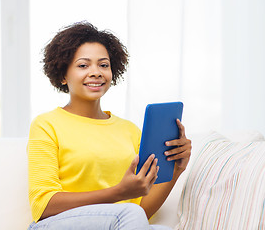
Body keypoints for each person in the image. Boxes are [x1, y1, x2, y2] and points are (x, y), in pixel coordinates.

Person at [27, 22, 192, 230]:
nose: (96, 72)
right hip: (54, 224)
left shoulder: (129, 130)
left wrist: (177, 168)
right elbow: (42, 205)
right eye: (83, 65)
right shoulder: (46, 125)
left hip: (117, 222)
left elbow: (140, 213)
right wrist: (119, 193)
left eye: (103, 65)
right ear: (62, 75)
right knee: (131, 213)